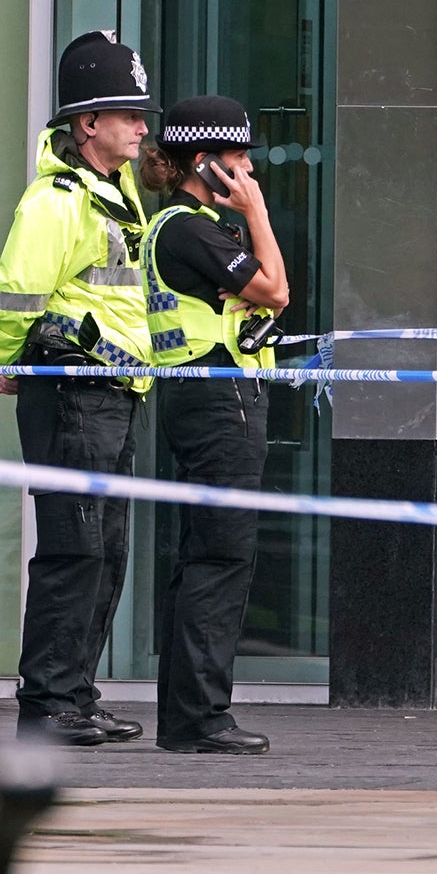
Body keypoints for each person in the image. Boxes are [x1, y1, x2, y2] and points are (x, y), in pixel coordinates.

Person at [0, 31, 157, 747]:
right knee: (73, 549)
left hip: (113, 389)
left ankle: (75, 697)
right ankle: (48, 703)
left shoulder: (112, 196)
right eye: (128, 114)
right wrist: (2, 360)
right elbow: (19, 290)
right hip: (71, 388)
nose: (143, 127)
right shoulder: (56, 201)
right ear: (88, 123)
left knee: (105, 551)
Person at [139, 96, 289, 755]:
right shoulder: (188, 228)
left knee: (208, 556)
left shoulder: (192, 223)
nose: (250, 168)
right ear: (206, 162)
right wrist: (255, 214)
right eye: (238, 157)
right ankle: (201, 719)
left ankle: (188, 717)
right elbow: (276, 290)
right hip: (216, 397)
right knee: (221, 558)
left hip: (209, 394)